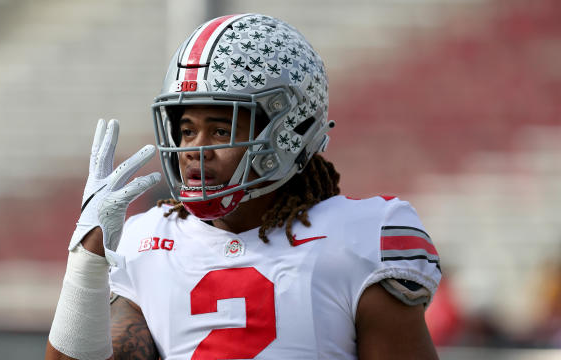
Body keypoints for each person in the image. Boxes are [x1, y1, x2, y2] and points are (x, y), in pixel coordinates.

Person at [45, 14, 441, 360]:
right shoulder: (147, 242)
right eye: (186, 130)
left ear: (290, 130)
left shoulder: (360, 237)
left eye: (221, 129)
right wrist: (87, 261)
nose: (194, 151)